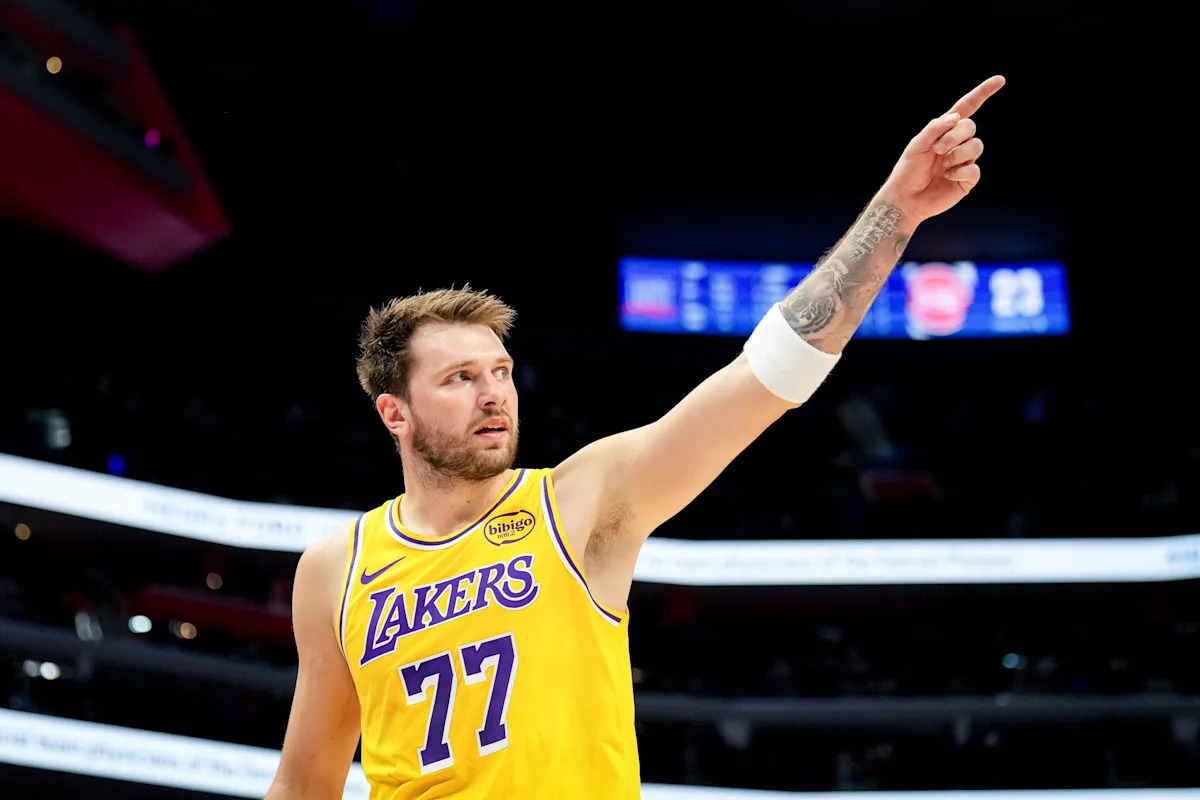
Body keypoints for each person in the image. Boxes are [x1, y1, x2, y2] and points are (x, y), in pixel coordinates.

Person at [264, 74, 1005, 800]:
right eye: (460, 378)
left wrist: (896, 211)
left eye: (501, 372)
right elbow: (304, 782)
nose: (493, 394)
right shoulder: (335, 568)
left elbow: (766, 376)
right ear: (394, 414)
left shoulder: (578, 501)